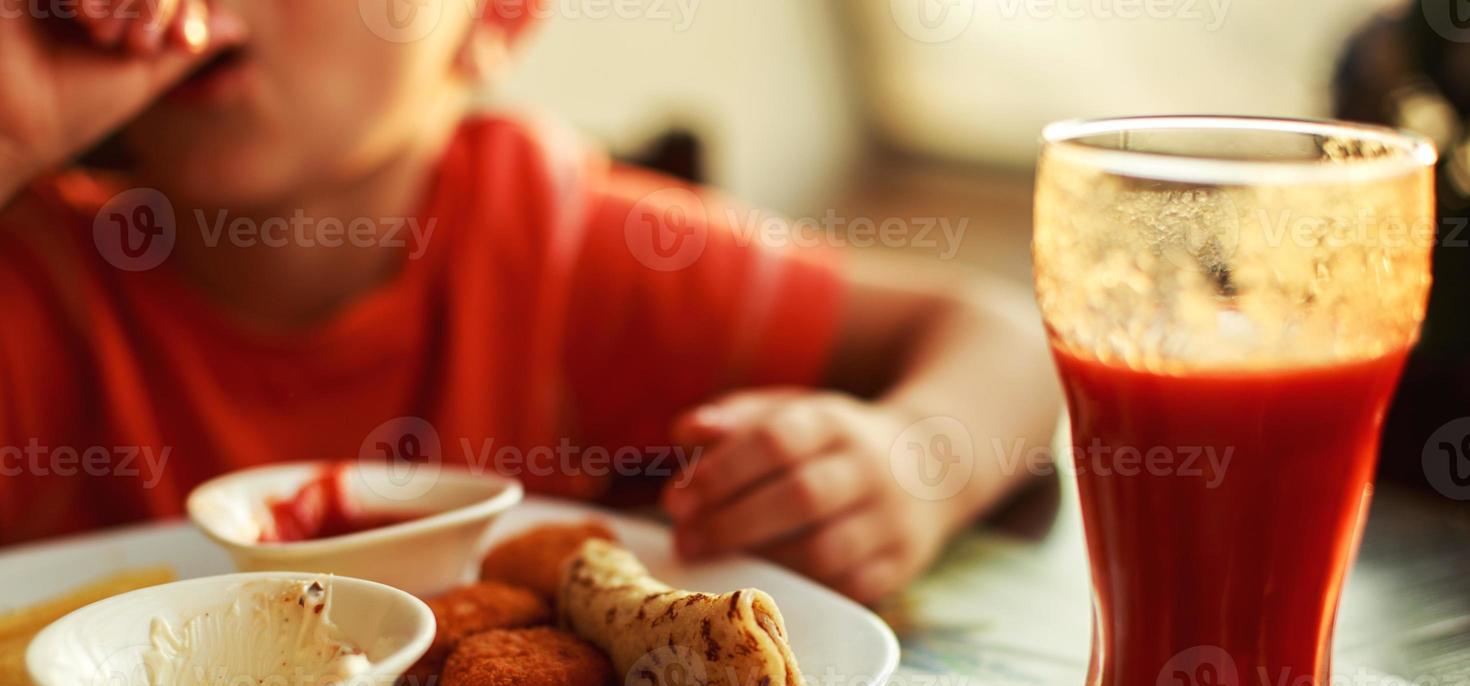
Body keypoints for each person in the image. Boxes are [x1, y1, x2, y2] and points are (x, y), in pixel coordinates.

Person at [0, 0, 1057, 604]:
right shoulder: (42, 272)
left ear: (496, 16)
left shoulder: (556, 246)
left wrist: (905, 466)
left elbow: (1001, 333)